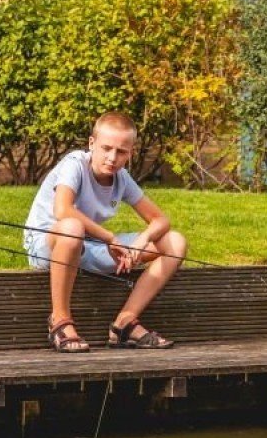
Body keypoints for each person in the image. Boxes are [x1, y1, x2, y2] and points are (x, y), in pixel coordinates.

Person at [23, 111, 186, 352]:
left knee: (175, 242)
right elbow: (63, 210)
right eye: (106, 148)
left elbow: (160, 220)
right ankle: (59, 321)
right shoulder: (74, 164)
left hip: (90, 246)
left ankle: (124, 324)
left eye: (121, 152)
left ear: (130, 153)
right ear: (92, 143)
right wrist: (109, 238)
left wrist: (141, 241)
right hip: (49, 246)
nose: (112, 158)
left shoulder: (122, 177)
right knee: (72, 227)